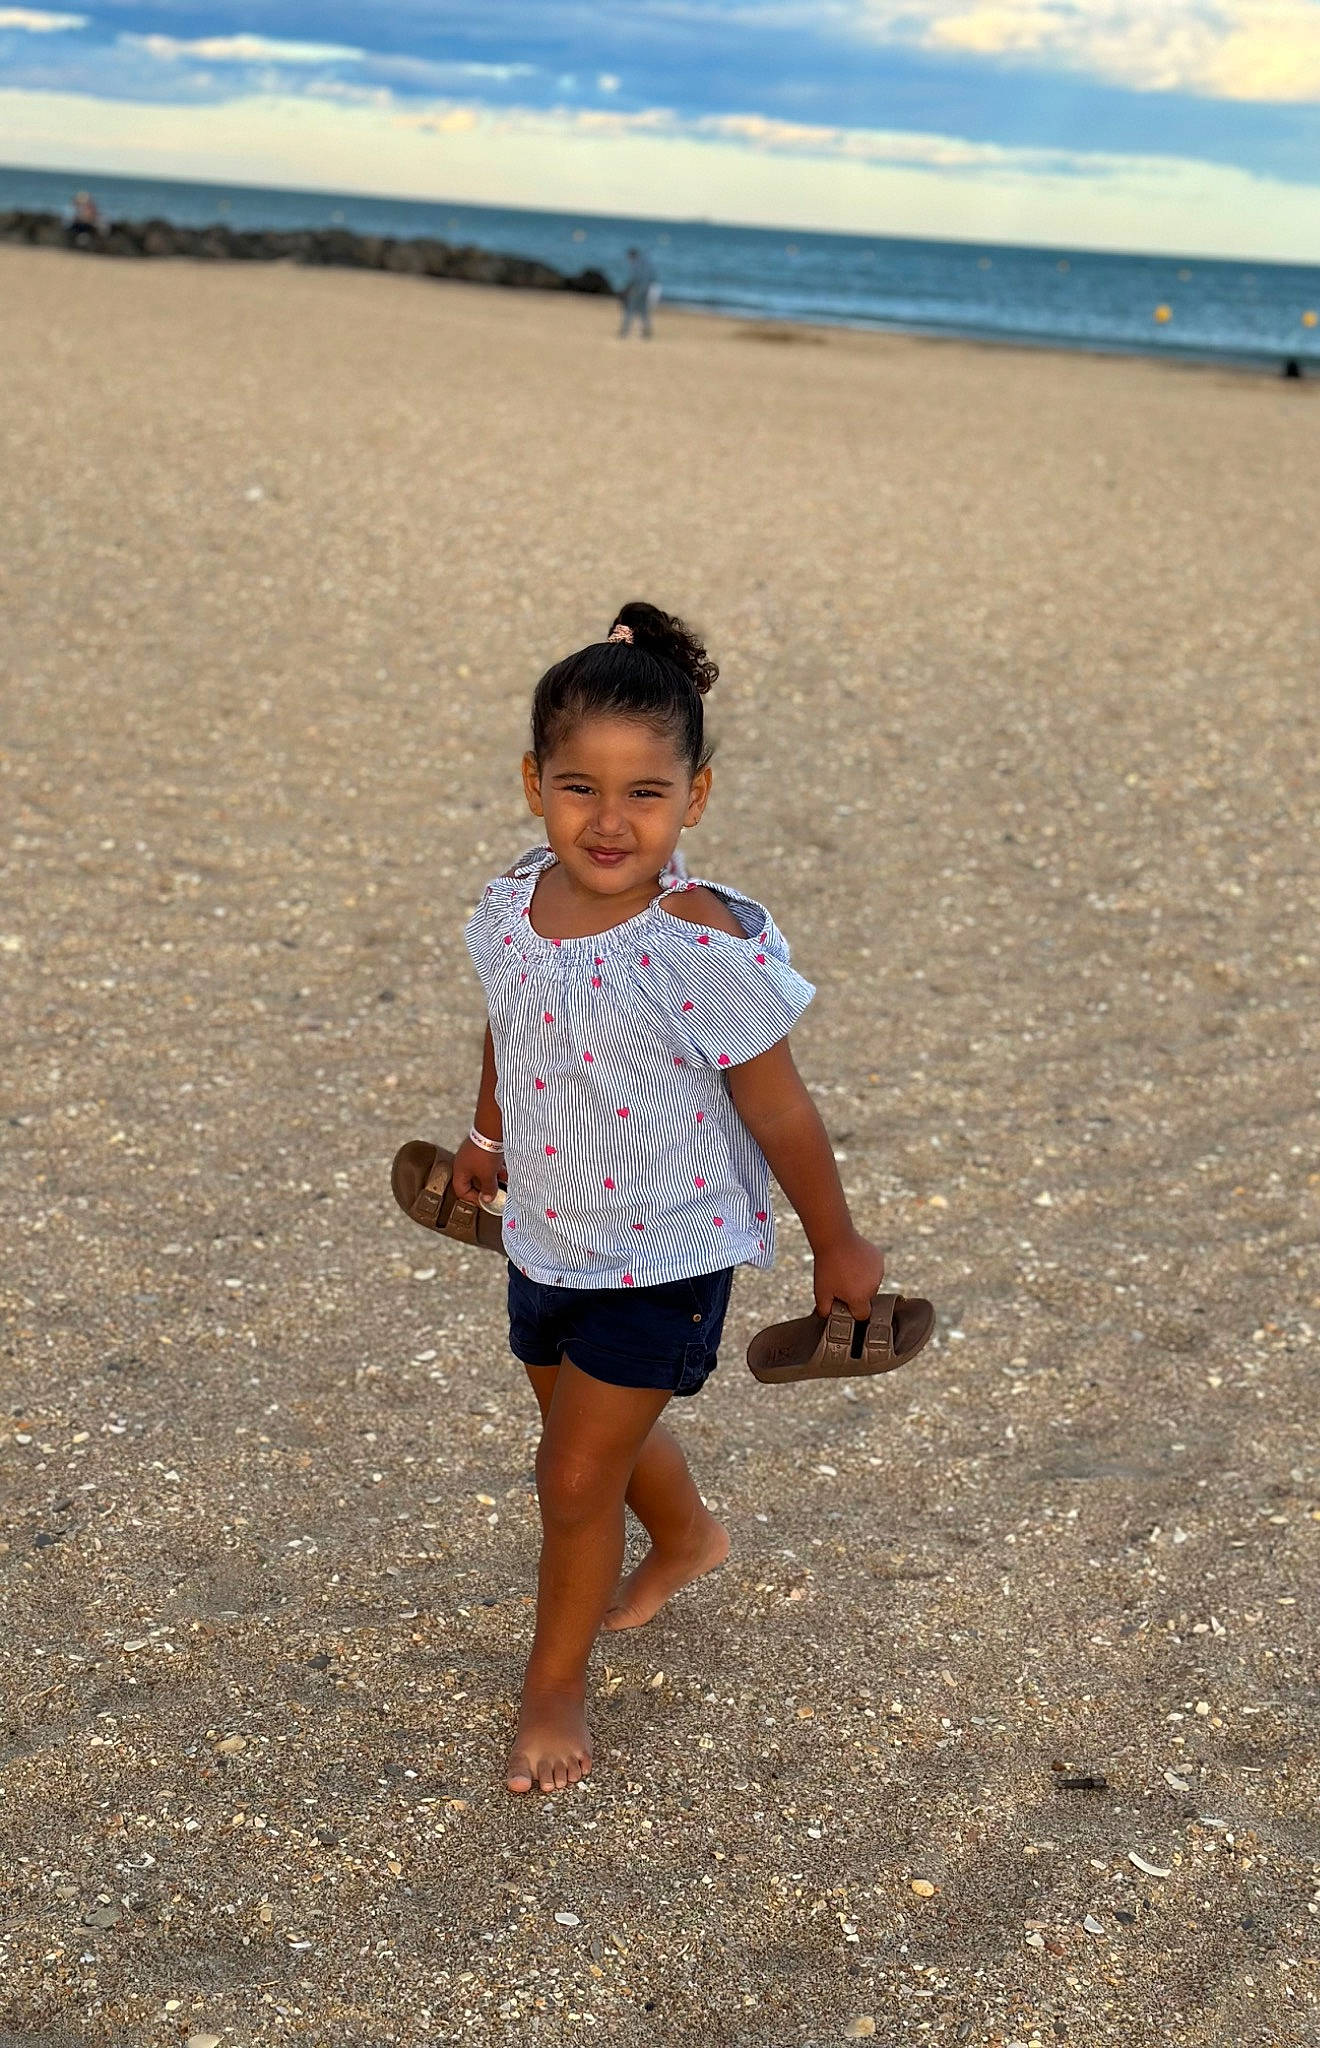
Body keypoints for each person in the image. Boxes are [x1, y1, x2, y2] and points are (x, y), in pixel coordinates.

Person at [453, 602, 885, 1795]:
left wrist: (835, 1239)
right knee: (579, 1436)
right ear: (533, 781)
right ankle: (689, 1536)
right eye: (580, 785)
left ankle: (553, 1684)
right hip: (549, 1229)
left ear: (694, 798)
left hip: (668, 1251)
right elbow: (509, 1020)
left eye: (646, 792)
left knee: (574, 1478)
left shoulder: (693, 945)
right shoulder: (511, 905)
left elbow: (780, 1107)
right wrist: (486, 1134)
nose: (609, 818)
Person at [618, 246, 656, 339]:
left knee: (630, 310)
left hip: (637, 289)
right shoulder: (646, 262)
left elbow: (634, 279)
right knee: (643, 311)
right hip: (646, 289)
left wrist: (628, 290)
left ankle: (624, 330)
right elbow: (652, 277)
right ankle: (647, 330)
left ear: (632, 255)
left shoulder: (636, 263)